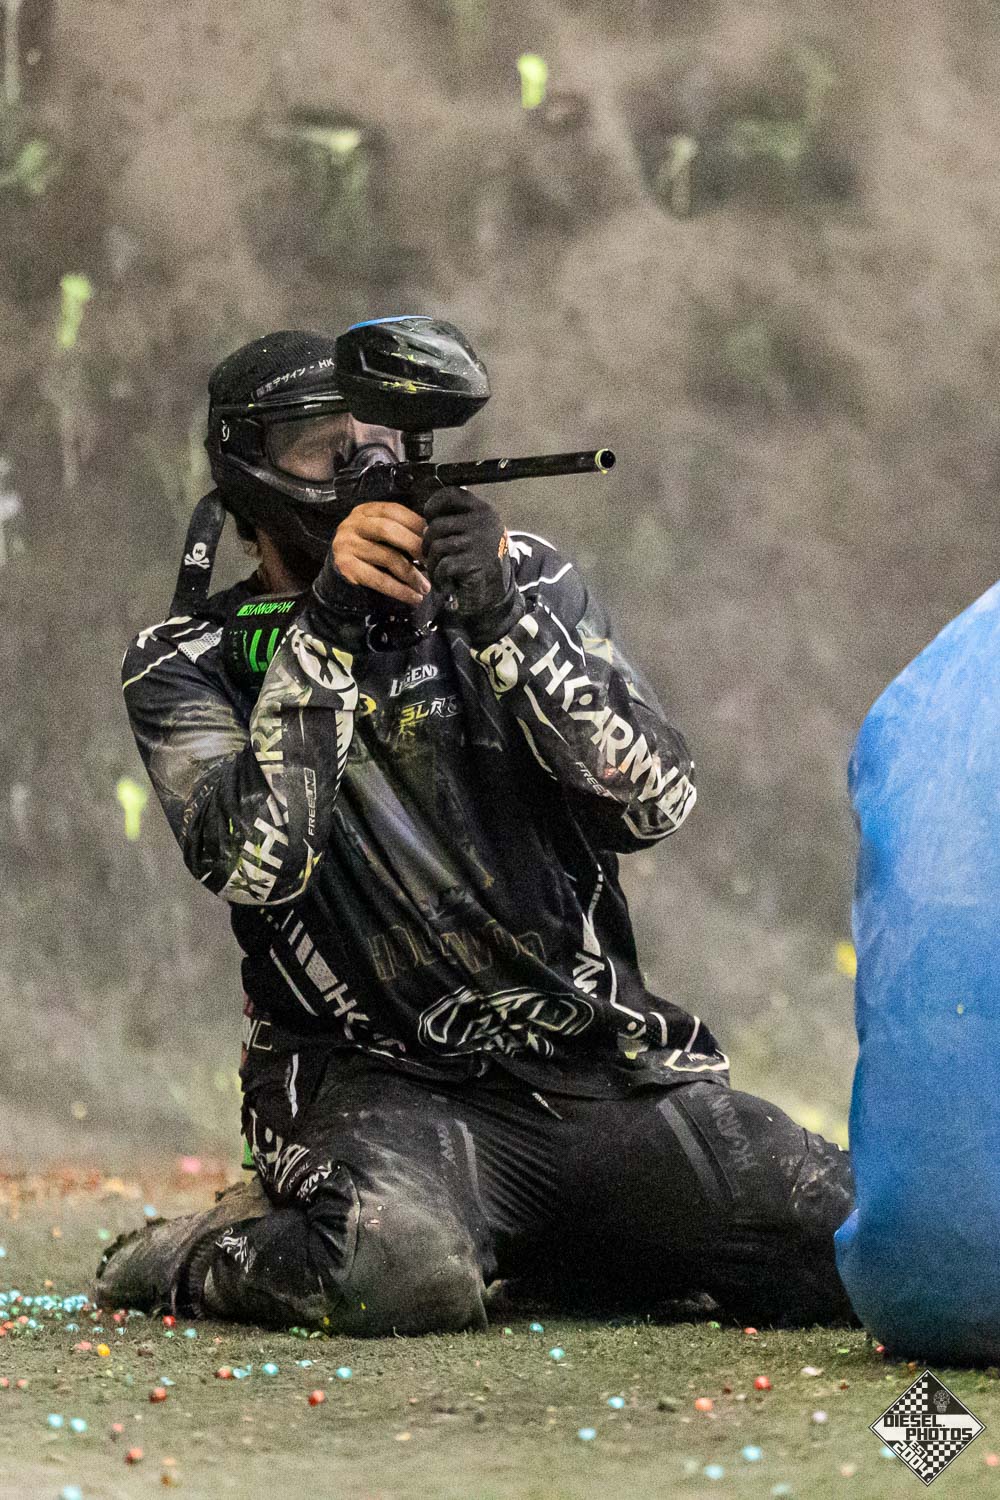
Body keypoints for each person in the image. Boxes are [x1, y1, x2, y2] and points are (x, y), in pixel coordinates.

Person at [95, 327, 856, 1333]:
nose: (365, 468)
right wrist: (327, 629)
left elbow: (656, 802)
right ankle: (188, 1254)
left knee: (851, 1232)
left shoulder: (519, 580)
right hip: (373, 1086)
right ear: (251, 479)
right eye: (326, 450)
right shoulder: (188, 659)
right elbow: (256, 861)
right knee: (393, 1272)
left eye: (378, 439)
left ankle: (577, 1258)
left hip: (589, 1068)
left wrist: (503, 620)